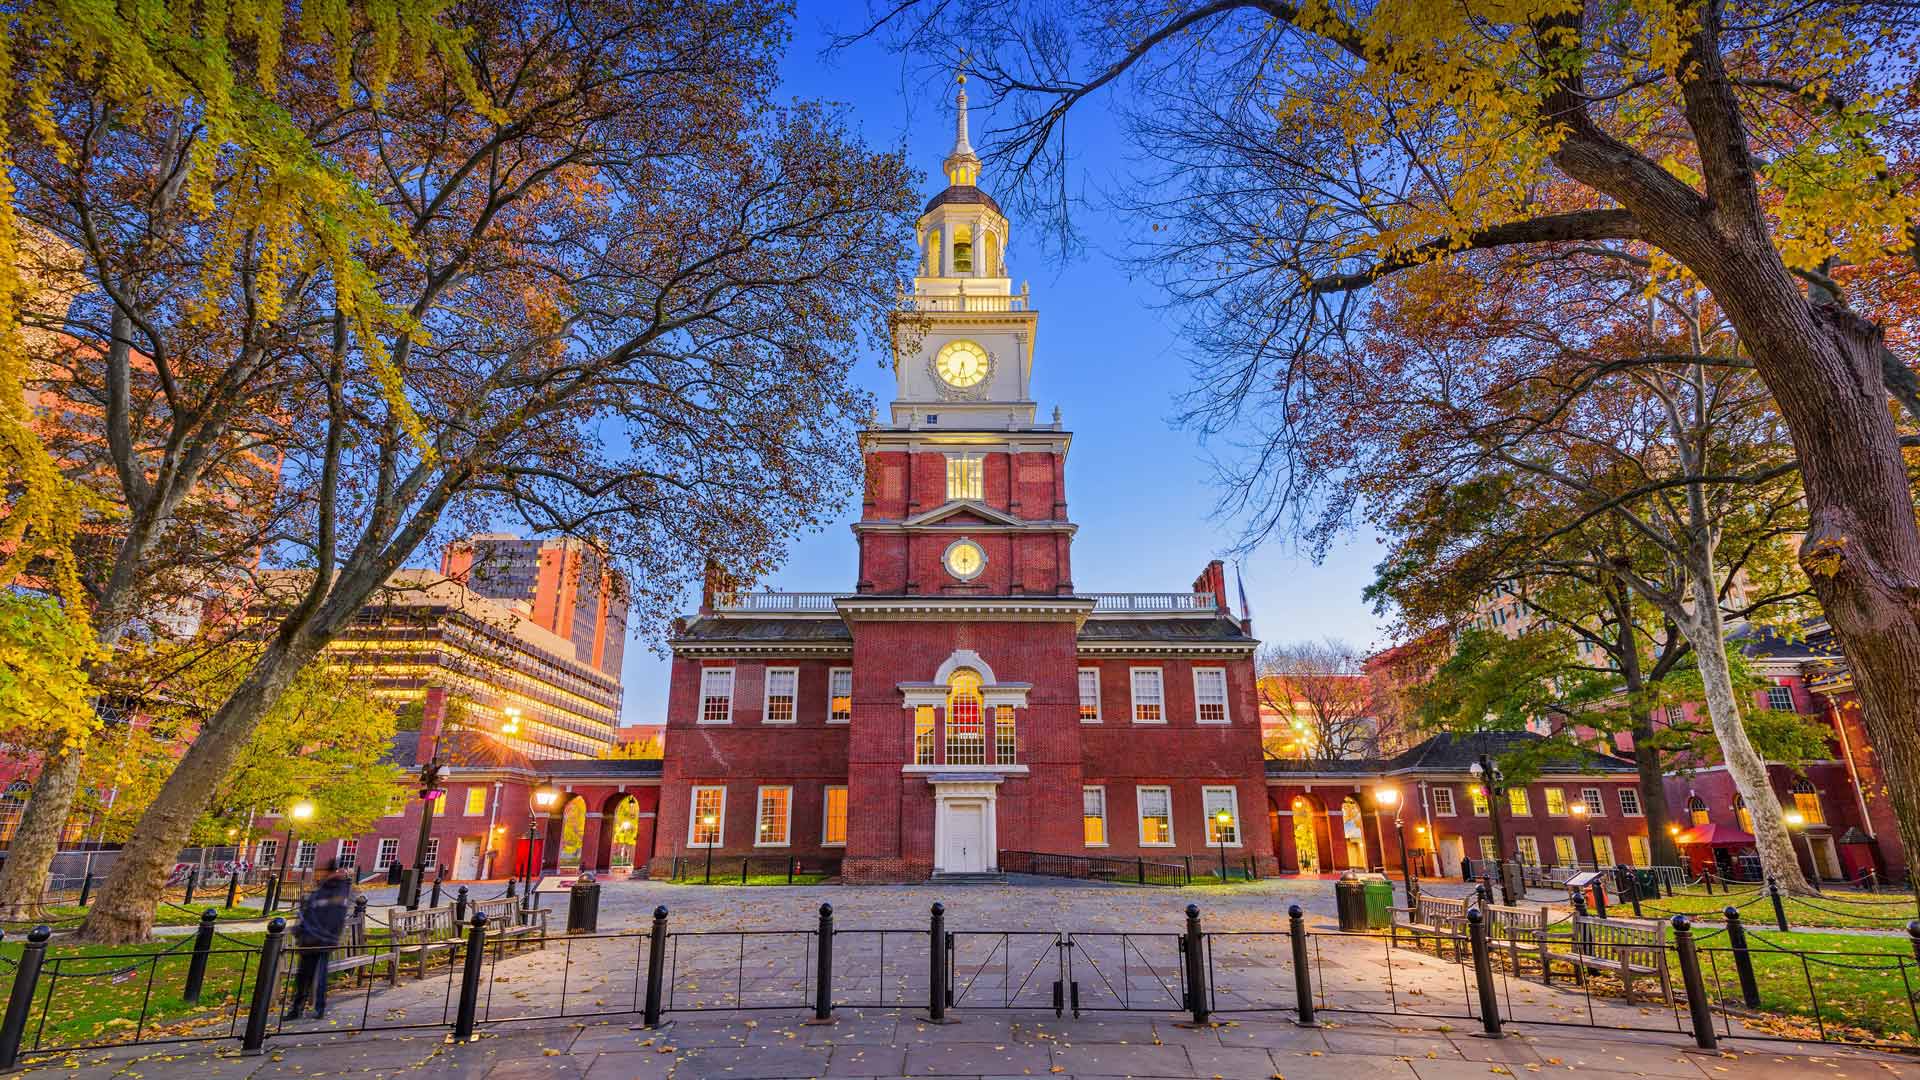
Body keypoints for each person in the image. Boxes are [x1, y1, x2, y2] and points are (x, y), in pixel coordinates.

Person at [285, 859, 354, 1020]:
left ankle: (319, 1008)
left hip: (323, 940)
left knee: (319, 976)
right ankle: (297, 1008)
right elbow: (310, 910)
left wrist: (321, 934)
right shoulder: (323, 888)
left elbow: (333, 916)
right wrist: (300, 929)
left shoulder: (340, 890)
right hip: (308, 939)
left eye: (335, 870)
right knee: (303, 976)